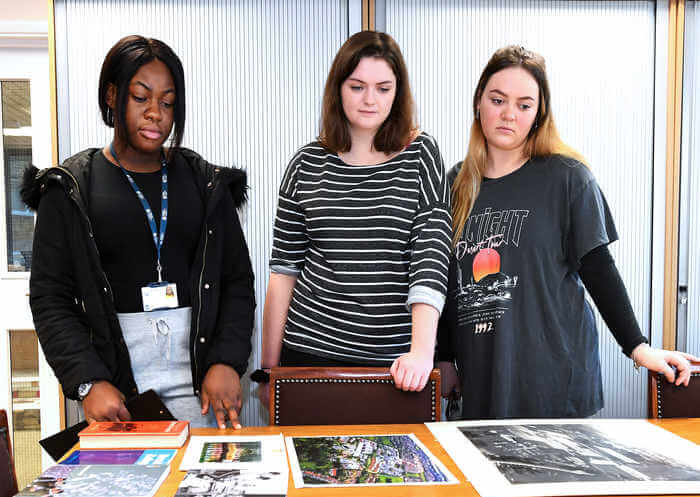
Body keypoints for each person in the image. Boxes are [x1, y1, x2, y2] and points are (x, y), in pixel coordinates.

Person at [439, 45, 697, 419]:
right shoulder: (454, 185)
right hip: (483, 381)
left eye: (524, 105)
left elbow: (597, 266)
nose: (509, 114)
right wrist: (444, 357)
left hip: (554, 378)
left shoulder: (567, 177)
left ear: (539, 113)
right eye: (498, 99)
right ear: (479, 101)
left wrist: (639, 347)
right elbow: (445, 282)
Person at [23, 35, 255, 428]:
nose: (155, 114)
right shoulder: (70, 188)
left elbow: (236, 281)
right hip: (115, 388)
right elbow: (51, 298)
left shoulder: (206, 184)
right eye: (141, 97)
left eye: (167, 102)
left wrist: (226, 361)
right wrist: (88, 381)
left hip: (202, 388)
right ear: (112, 96)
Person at [256, 31, 452, 404]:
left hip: (396, 366)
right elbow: (283, 273)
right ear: (338, 89)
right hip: (309, 357)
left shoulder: (421, 155)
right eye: (357, 86)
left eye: (383, 88)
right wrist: (268, 370)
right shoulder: (305, 165)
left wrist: (422, 352)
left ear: (398, 93)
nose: (369, 100)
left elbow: (430, 257)